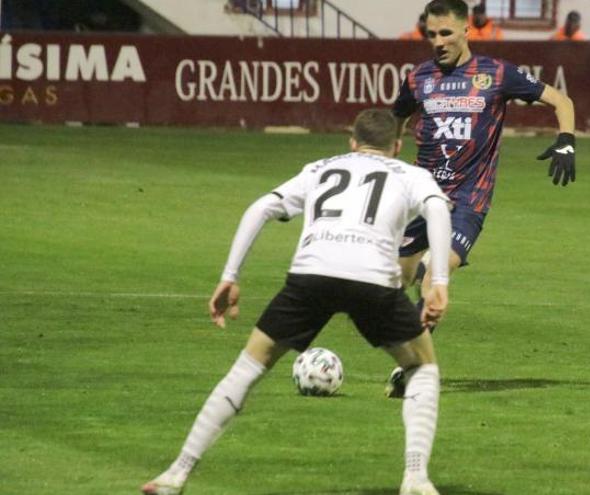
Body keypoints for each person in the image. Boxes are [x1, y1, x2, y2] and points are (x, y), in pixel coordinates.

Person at [141, 109, 452, 495]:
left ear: (352, 142)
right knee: (422, 367)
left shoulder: (320, 167)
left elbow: (261, 207)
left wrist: (230, 276)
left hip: (311, 274)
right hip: (373, 278)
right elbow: (438, 208)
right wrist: (439, 280)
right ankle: (415, 478)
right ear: (398, 146)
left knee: (248, 367)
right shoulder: (410, 173)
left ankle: (176, 473)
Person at [385, 0, 576, 397]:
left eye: (446, 33)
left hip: (469, 202)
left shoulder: (496, 74)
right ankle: (411, 355)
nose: (438, 42)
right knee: (393, 281)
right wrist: (388, 154)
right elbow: (395, 118)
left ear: (466, 30)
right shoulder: (419, 78)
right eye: (431, 35)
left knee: (430, 274)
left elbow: (561, 101)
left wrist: (567, 142)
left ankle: (416, 371)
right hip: (423, 200)